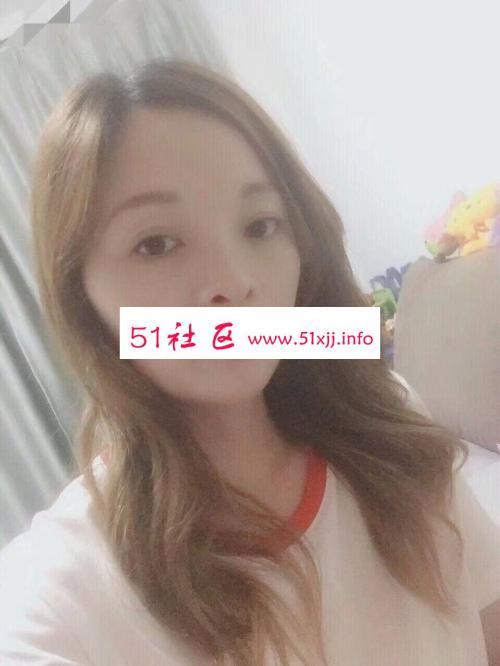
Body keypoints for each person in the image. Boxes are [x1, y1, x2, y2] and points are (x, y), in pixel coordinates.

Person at [0, 58, 499, 666]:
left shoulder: (389, 425)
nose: (233, 282)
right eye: (156, 244)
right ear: (81, 297)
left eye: (261, 226)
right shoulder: (65, 589)